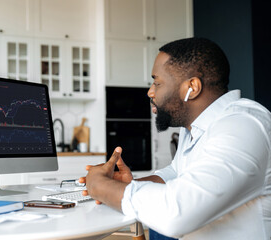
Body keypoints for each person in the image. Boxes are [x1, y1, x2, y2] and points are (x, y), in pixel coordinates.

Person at [79, 38, 271, 239]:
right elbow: (177, 172)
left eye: (158, 82)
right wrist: (127, 185)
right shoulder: (196, 127)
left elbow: (177, 214)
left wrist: (101, 186)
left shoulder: (243, 125)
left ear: (192, 87)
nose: (150, 92)